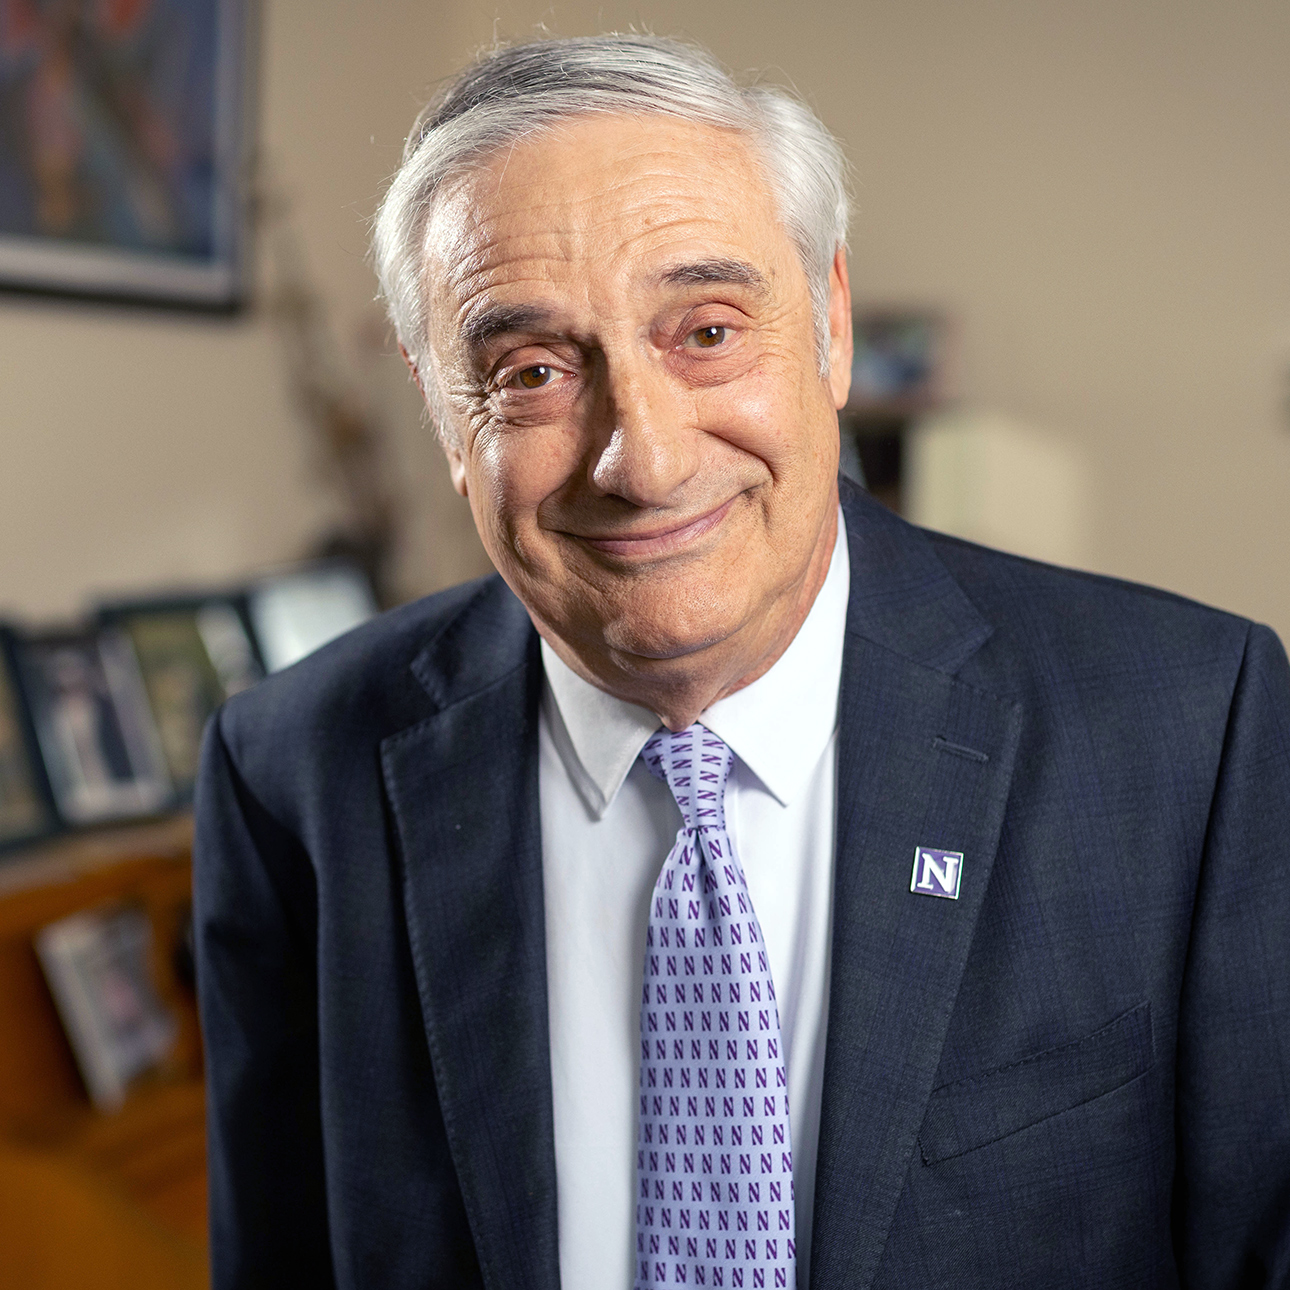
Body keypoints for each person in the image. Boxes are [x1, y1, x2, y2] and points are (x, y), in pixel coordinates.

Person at [193, 34, 1290, 1290]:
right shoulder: (291, 775)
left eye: (707, 331)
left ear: (830, 323)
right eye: (532, 371)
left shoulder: (1190, 729)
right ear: (443, 406)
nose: (644, 460)